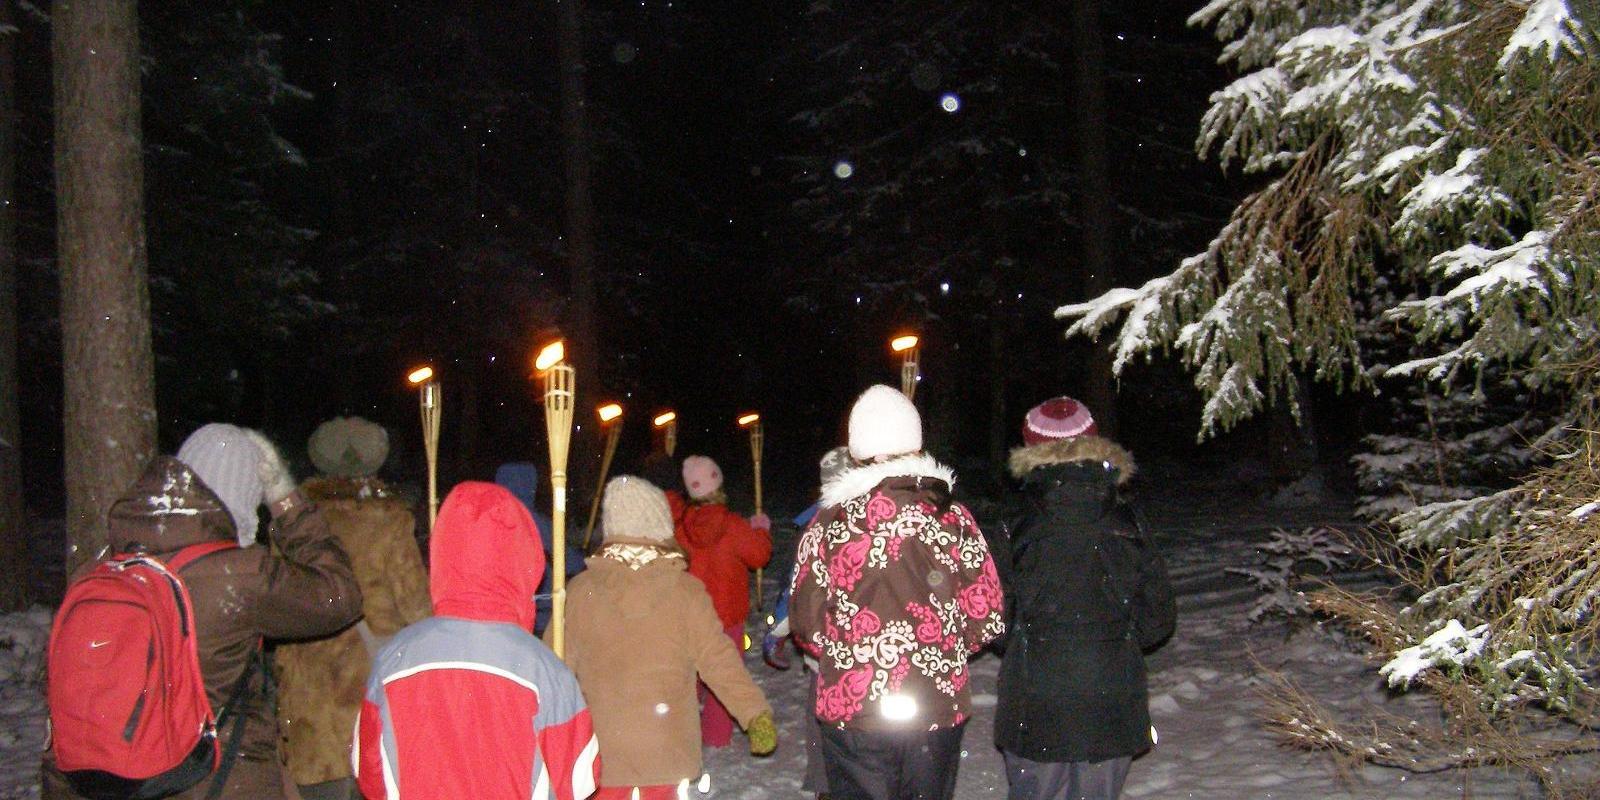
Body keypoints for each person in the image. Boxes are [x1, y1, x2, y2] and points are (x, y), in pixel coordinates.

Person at [46, 423, 365, 799]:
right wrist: (285, 498)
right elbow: (339, 596)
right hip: (221, 779)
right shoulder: (240, 574)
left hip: (113, 781)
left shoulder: (102, 569)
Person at [791, 385, 1005, 800]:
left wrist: (848, 647)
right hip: (933, 702)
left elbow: (806, 620)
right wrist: (940, 644)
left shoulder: (830, 524)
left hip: (854, 705)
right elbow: (988, 613)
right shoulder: (953, 519)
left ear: (857, 450)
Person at [355, 481, 600, 800]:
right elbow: (581, 777)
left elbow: (368, 770)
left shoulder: (394, 659)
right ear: (521, 558)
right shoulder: (544, 670)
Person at [995, 397, 1176, 800]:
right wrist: (1114, 640)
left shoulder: (1016, 526)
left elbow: (995, 619)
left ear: (1032, 451)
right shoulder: (1128, 521)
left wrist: (1033, 640)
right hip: (1110, 697)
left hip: (1036, 699)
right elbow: (1158, 617)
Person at [558, 476, 776, 799]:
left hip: (600, 756)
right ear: (661, 526)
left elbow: (554, 669)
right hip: (667, 753)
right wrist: (754, 712)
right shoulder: (684, 592)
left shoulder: (580, 593)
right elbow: (719, 660)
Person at [275, 417, 432, 800]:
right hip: (369, 695)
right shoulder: (390, 521)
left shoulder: (292, 524)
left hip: (308, 700)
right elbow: (418, 611)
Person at [764, 445, 850, 799]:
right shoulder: (819, 524)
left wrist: (778, 628)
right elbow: (799, 585)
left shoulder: (824, 523)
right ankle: (828, 785)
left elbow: (797, 587)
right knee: (828, 721)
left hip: (839, 650)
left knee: (828, 720)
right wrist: (778, 626)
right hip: (837, 649)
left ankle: (831, 784)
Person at [668, 455, 772, 748]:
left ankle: (683, 732)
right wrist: (761, 530)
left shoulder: (680, 527)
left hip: (689, 616)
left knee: (689, 676)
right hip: (726, 617)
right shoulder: (733, 525)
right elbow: (759, 555)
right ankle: (716, 735)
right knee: (723, 676)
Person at [496, 461, 587, 635]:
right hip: (543, 620)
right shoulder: (542, 526)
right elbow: (572, 563)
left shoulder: (493, 525)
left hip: (507, 619)